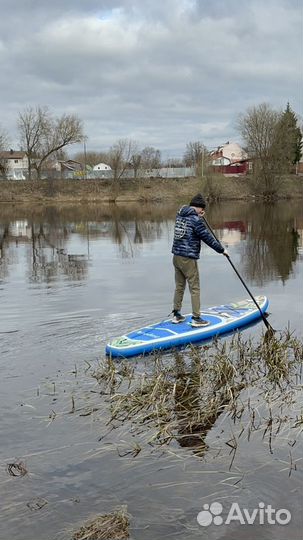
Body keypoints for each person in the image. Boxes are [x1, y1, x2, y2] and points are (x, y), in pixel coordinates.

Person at [171, 193, 228, 327]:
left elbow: (191, 222)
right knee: (195, 288)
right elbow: (207, 238)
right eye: (202, 210)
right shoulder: (196, 220)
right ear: (199, 208)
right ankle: (196, 318)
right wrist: (222, 250)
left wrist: (197, 216)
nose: (203, 212)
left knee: (179, 286)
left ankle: (177, 315)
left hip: (176, 256)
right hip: (188, 258)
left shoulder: (180, 214)